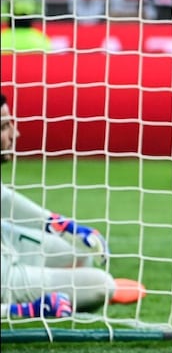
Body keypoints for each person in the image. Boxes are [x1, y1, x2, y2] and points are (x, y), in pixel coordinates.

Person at [1, 92, 116, 317]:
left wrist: (62, 226)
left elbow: (3, 199)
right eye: (4, 126)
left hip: (7, 243)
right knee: (102, 286)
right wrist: (18, 311)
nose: (16, 133)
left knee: (80, 252)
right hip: (5, 276)